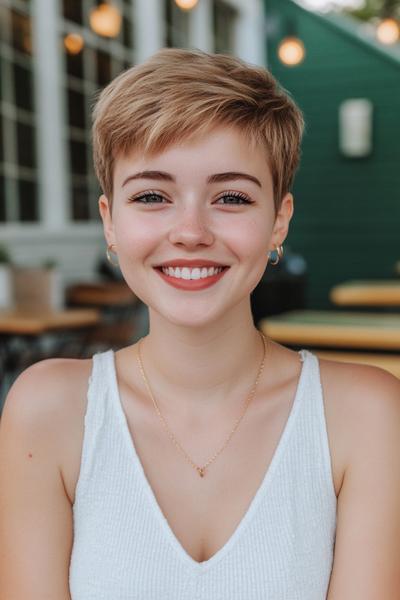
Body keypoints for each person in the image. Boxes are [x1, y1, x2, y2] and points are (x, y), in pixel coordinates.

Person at [0, 48, 399, 600]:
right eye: (152, 196)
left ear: (278, 220)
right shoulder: (48, 409)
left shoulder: (366, 415)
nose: (190, 230)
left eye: (231, 197)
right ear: (110, 221)